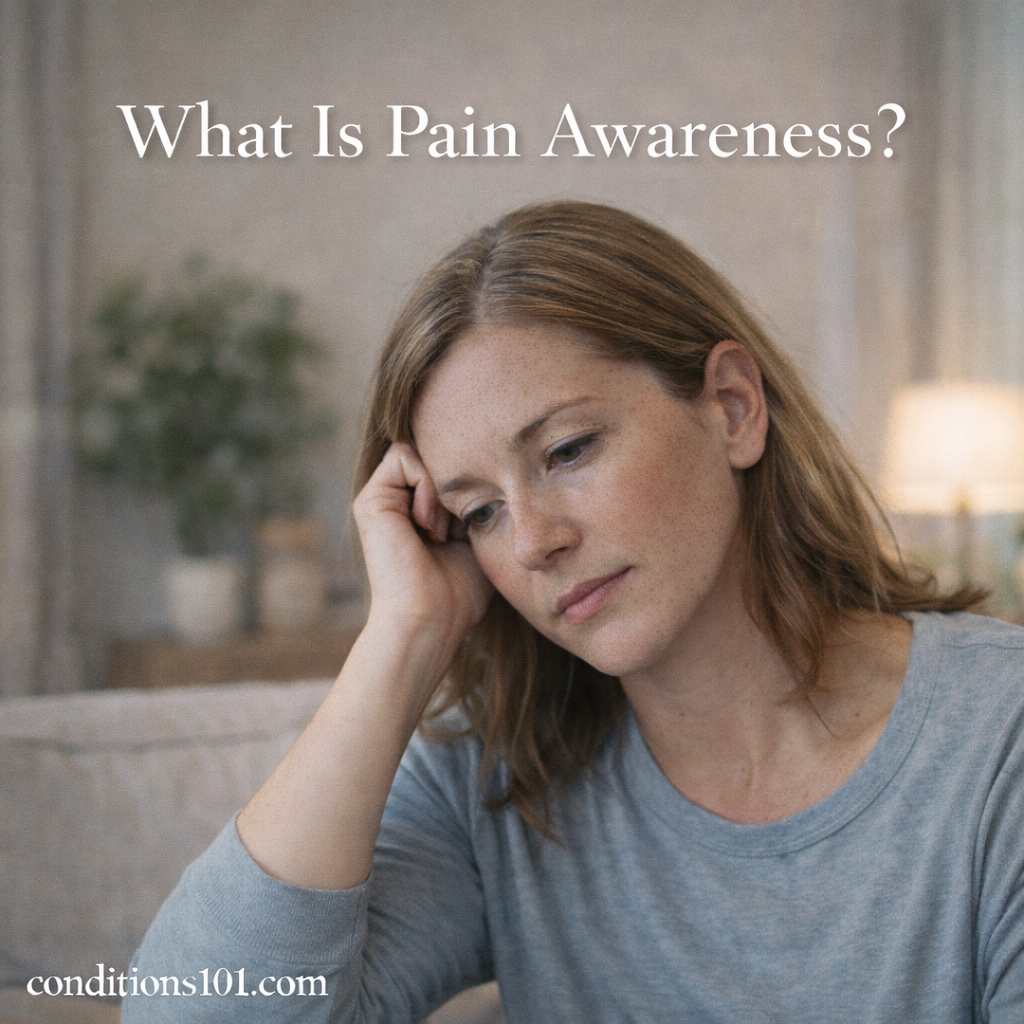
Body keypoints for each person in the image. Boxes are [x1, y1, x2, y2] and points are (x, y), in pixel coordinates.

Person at [125, 202, 1024, 1023]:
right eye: (478, 511)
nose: (531, 542)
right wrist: (402, 636)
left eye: (568, 449)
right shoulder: (502, 778)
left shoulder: (995, 738)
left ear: (733, 409)